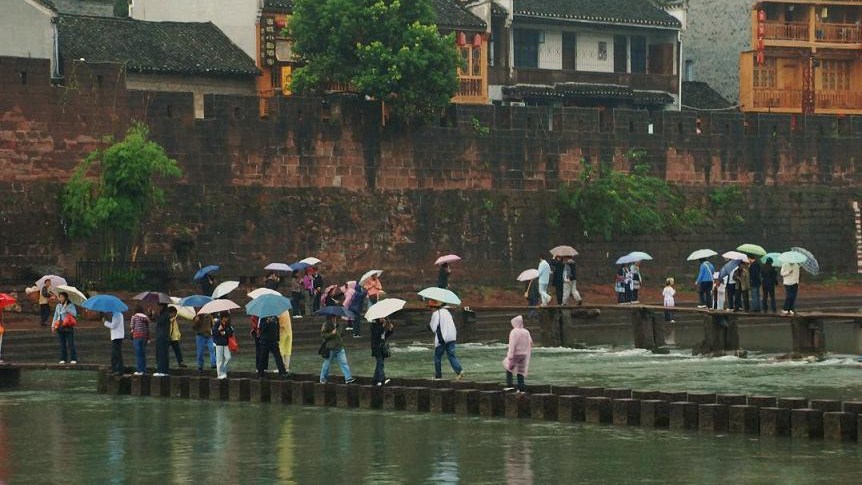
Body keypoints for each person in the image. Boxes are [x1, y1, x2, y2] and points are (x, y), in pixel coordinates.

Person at [429, 300, 464, 380]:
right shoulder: (446, 312)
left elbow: (433, 328)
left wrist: (429, 326)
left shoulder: (435, 314)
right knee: (451, 355)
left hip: (442, 338)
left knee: (437, 357)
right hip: (452, 336)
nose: (430, 309)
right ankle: (459, 371)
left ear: (435, 307)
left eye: (431, 307)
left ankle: (438, 377)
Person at [319, 315, 356, 384]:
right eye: (333, 317)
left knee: (344, 363)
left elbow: (341, 334)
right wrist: (332, 334)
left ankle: (348, 378)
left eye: (335, 317)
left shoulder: (339, 325)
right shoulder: (326, 325)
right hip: (330, 348)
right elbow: (323, 335)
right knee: (327, 364)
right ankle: (323, 378)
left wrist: (340, 335)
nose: (334, 318)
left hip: (339, 348)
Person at [503, 315, 532, 392]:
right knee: (521, 371)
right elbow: (530, 342)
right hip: (524, 354)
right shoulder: (526, 331)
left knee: (508, 367)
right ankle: (521, 387)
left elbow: (512, 344)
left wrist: (510, 355)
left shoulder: (514, 332)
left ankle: (510, 385)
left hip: (516, 354)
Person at [51, 291, 78, 364]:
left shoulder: (70, 305)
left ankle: (73, 358)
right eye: (60, 297)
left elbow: (75, 313)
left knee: (70, 343)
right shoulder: (58, 306)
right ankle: (63, 358)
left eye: (62, 297)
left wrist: (67, 309)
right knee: (62, 343)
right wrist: (53, 326)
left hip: (68, 326)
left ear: (65, 297)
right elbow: (55, 316)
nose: (60, 298)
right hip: (60, 326)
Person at [370, 317, 394, 386]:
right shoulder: (373, 325)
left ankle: (375, 380)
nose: (383, 319)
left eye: (383, 318)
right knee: (380, 363)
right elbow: (377, 334)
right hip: (376, 347)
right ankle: (382, 380)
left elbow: (384, 336)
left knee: (379, 364)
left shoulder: (381, 326)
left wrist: (390, 329)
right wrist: (383, 326)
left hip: (382, 347)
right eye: (381, 318)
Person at [212, 312, 234, 379]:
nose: (227, 319)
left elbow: (230, 333)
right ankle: (219, 374)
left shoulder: (227, 324)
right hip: (219, 344)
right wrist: (218, 330)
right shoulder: (217, 323)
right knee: (219, 360)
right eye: (226, 317)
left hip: (225, 343)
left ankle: (223, 371)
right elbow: (214, 333)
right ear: (223, 317)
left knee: (228, 357)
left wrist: (224, 332)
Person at [130, 306, 150, 375]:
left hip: (137, 336)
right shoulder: (146, 318)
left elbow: (132, 327)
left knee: (138, 354)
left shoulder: (134, 317)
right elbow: (147, 329)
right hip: (144, 337)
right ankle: (143, 370)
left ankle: (139, 370)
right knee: (143, 354)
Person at [103, 311, 125, 375]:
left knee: (117, 353)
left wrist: (105, 322)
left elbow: (113, 325)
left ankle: (119, 369)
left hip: (117, 336)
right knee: (115, 354)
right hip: (116, 336)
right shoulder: (117, 314)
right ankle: (115, 368)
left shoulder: (117, 314)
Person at [153, 304, 171, 376]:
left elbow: (160, 321)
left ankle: (162, 371)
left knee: (162, 354)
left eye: (160, 306)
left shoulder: (165, 314)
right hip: (161, 336)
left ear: (163, 306)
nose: (158, 308)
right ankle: (163, 371)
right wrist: (152, 315)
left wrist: (155, 315)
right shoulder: (162, 314)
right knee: (161, 354)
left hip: (163, 337)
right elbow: (157, 320)